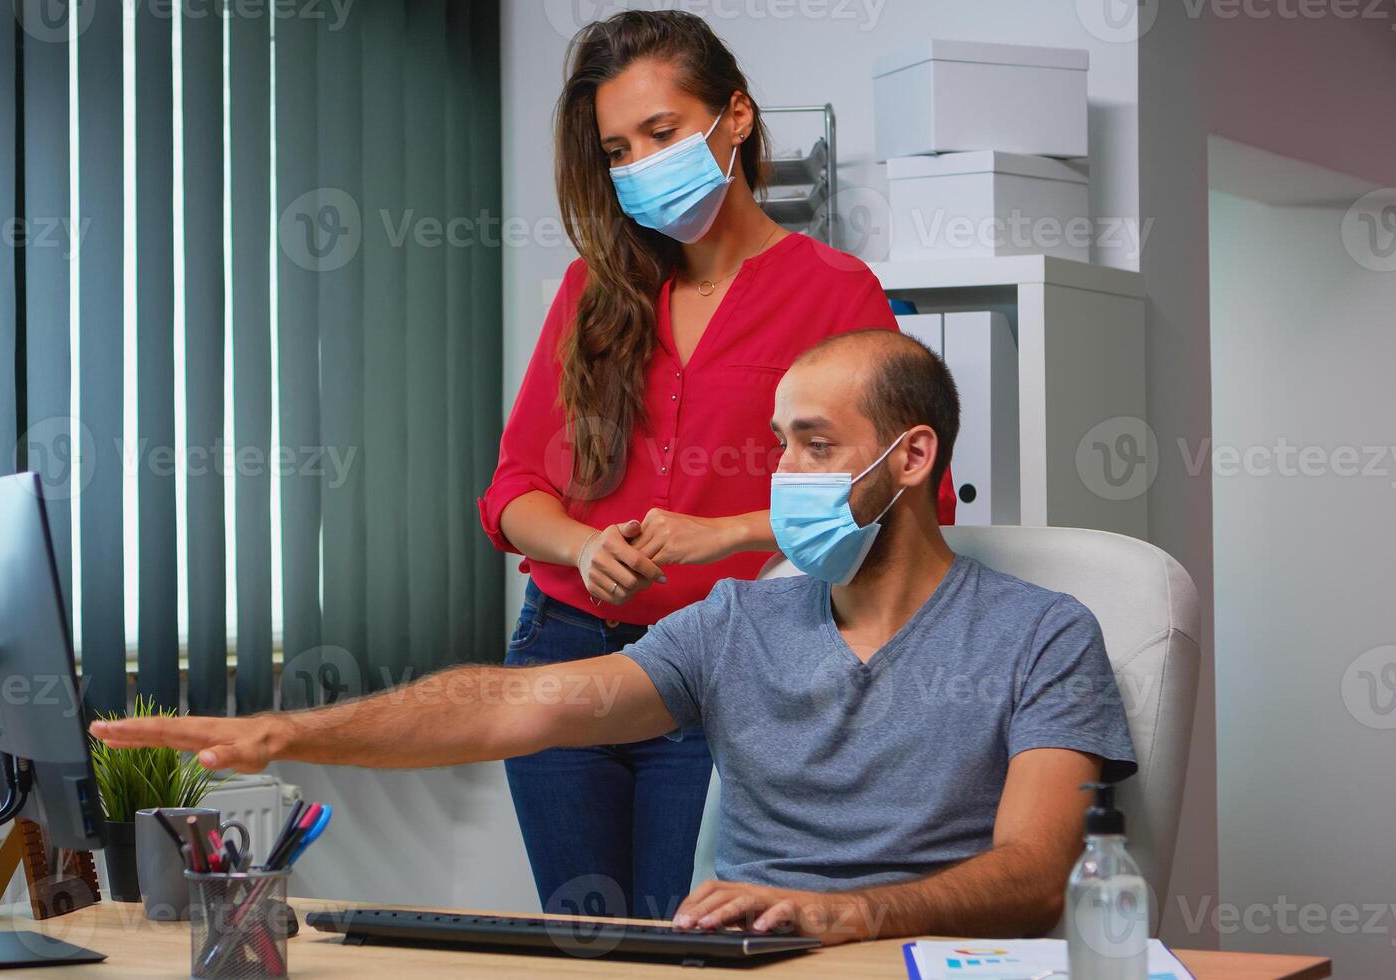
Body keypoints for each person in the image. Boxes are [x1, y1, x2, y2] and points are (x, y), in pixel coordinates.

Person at [92, 330, 1134, 944]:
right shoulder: (735, 621)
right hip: (742, 961)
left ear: (910, 459)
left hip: (905, 960)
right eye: (779, 447)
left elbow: (1034, 872)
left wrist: (840, 913)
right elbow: (516, 703)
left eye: (815, 446)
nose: (783, 476)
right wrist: (286, 729)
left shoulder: (1040, 634)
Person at [475, 10, 954, 919]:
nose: (641, 164)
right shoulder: (593, 288)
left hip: (728, 669)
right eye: (617, 149)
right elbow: (511, 493)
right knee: (585, 943)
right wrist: (580, 546)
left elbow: (901, 499)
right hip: (564, 651)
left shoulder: (834, 291)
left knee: (689, 938)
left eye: (661, 132)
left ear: (734, 117)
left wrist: (726, 533)